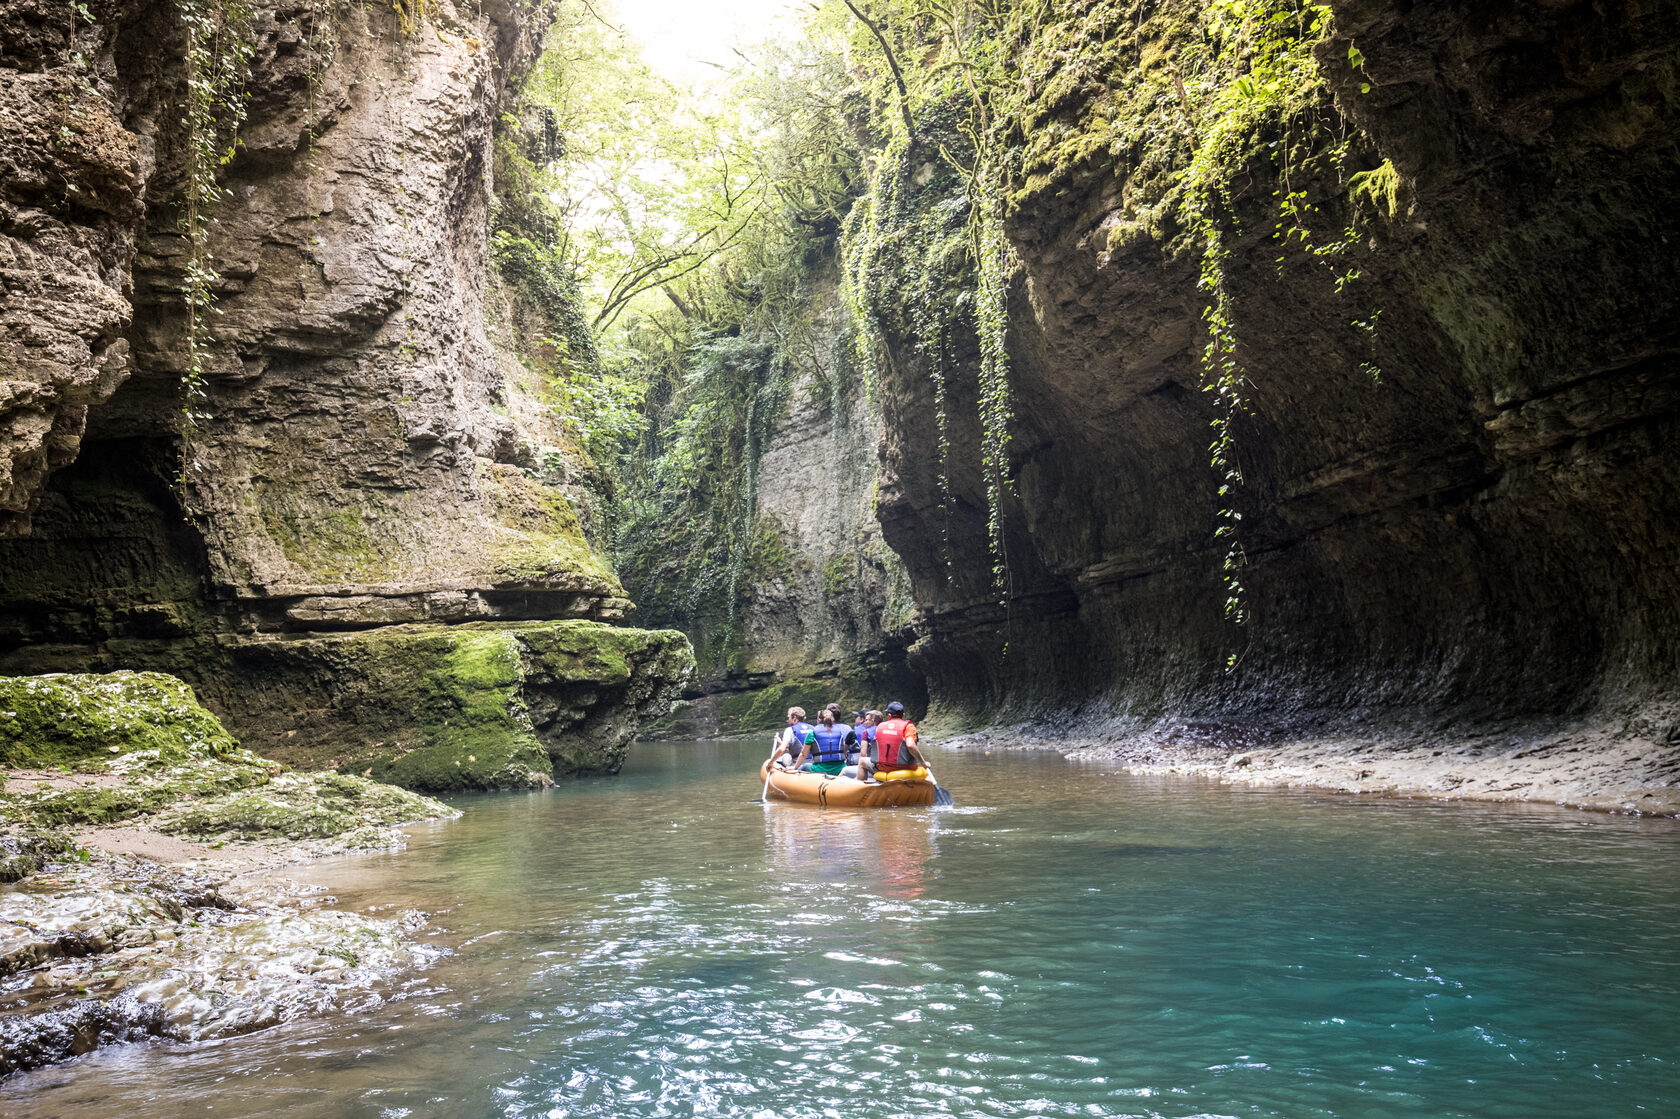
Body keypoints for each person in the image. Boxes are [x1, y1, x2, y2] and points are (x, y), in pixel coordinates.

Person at [860, 700, 927, 780]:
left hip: (882, 767)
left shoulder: (880, 726)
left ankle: (862, 787)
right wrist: (923, 763)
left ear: (889, 715)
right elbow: (910, 745)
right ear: (903, 715)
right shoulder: (909, 726)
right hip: (906, 767)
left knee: (862, 761)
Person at [788, 707, 856, 777]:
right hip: (840, 768)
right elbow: (844, 752)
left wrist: (795, 767)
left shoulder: (812, 734)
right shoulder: (840, 732)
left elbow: (803, 754)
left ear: (818, 720)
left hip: (820, 769)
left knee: (804, 766)